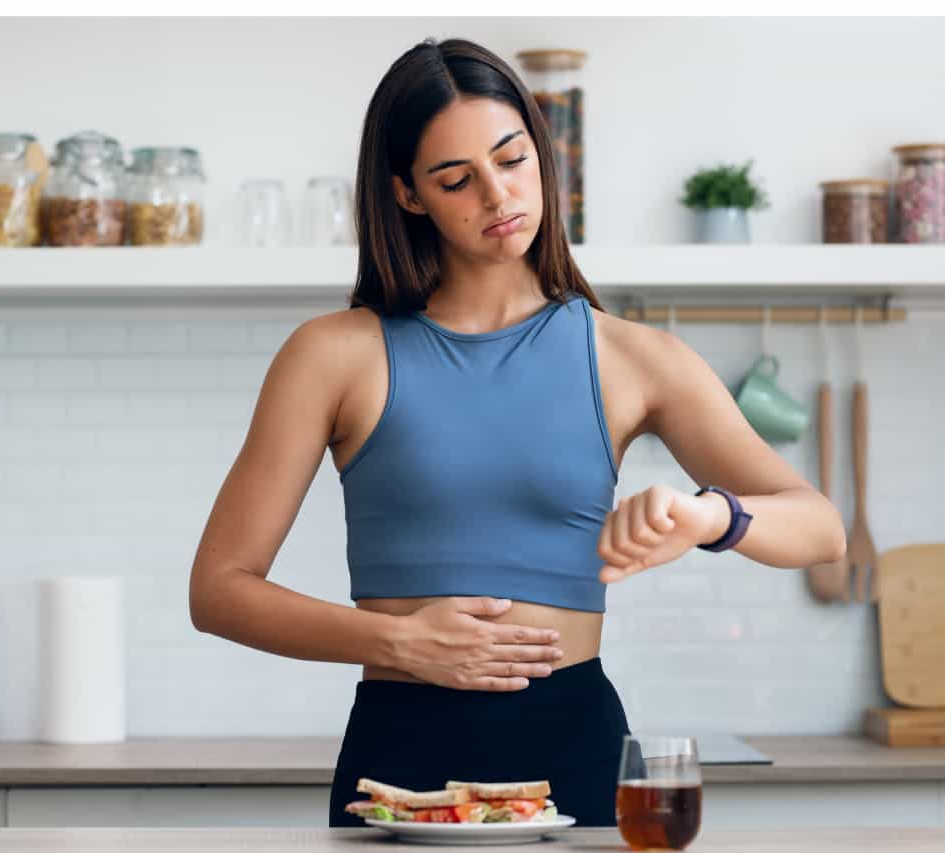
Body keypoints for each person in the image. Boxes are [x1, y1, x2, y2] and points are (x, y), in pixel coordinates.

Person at [188, 36, 846, 827]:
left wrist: (710, 515)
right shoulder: (333, 354)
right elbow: (219, 588)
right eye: (456, 179)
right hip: (400, 754)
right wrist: (397, 641)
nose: (498, 196)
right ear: (407, 195)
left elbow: (821, 528)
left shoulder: (631, 357)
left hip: (574, 746)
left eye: (512, 159)